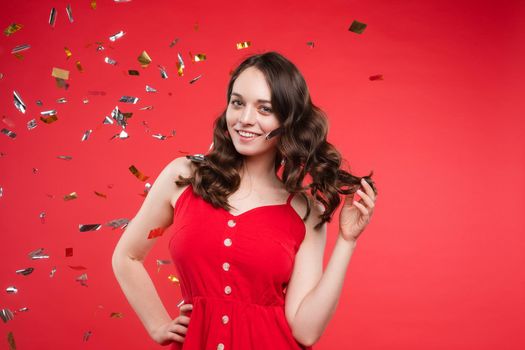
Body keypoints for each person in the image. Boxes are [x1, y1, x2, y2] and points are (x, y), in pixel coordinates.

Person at [112, 51, 378, 349]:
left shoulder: (305, 211)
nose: (245, 119)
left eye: (265, 109)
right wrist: (157, 323)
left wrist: (347, 242)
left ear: (287, 120)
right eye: (238, 103)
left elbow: (305, 331)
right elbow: (127, 256)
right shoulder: (185, 176)